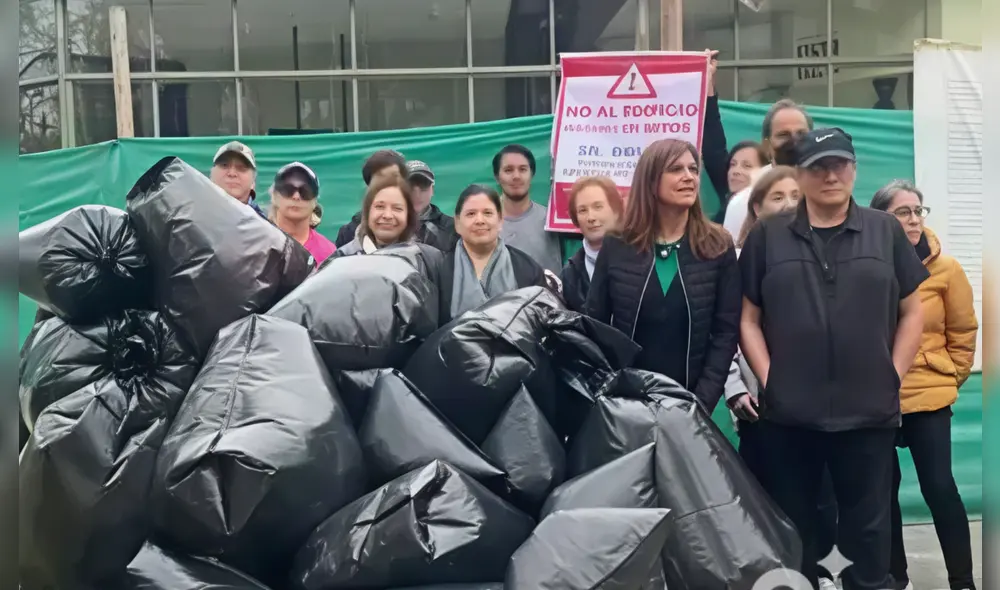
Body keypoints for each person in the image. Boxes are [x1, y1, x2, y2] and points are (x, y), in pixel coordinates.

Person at [739, 127, 928, 590]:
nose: (830, 175)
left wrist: (893, 375)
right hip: (791, 416)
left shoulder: (884, 231)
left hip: (868, 411)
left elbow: (913, 310)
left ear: (855, 170)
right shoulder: (769, 236)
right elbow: (747, 319)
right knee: (795, 529)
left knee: (870, 533)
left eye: (840, 164)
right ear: (799, 174)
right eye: (818, 167)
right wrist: (771, 378)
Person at [870, 180, 979, 590]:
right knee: (882, 495)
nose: (914, 219)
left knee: (940, 488)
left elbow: (964, 331)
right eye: (904, 212)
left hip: (930, 396)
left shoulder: (945, 269)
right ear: (882, 217)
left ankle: (963, 581)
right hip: (878, 396)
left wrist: (949, 376)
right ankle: (897, 579)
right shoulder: (867, 263)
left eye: (918, 210)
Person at [585, 139, 741, 412]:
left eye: (693, 169)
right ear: (651, 179)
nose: (689, 177)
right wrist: (610, 392)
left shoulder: (718, 245)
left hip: (691, 402)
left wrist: (700, 402)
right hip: (625, 404)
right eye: (676, 169)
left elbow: (725, 332)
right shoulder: (617, 244)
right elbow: (595, 326)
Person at [438, 184, 547, 324]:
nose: (480, 220)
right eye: (471, 214)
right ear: (458, 223)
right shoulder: (439, 270)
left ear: (500, 220)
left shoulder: (527, 269)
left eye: (488, 213)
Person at [722, 99, 814, 239]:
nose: (794, 141)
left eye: (802, 134)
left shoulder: (827, 190)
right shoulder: (743, 203)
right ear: (767, 146)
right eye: (783, 135)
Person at [698, 49, 767, 223]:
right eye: (733, 165)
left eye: (747, 166)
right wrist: (707, 81)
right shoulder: (725, 207)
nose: (736, 171)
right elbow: (713, 145)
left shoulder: (775, 219)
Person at [493, 144, 563, 275]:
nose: (516, 176)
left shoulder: (551, 220)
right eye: (508, 170)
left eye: (523, 169)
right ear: (497, 177)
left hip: (548, 294)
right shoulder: (485, 223)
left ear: (532, 174)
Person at [560, 176, 624, 312]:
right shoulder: (570, 274)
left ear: (616, 211)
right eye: (582, 210)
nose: (591, 217)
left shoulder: (642, 258)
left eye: (598, 207)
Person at [334, 149, 408, 247]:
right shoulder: (348, 233)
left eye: (393, 178)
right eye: (380, 179)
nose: (387, 216)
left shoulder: (426, 231)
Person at [331, 176, 420, 257]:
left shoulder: (426, 259)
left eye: (397, 208)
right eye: (379, 207)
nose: (387, 215)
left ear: (409, 215)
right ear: (367, 212)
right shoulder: (342, 258)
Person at [267, 162, 336, 265]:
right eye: (288, 189)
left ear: (315, 201)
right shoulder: (258, 243)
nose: (296, 196)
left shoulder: (327, 252)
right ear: (274, 196)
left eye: (305, 191)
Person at [406, 160, 459, 251]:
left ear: (432, 190)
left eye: (423, 185)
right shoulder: (389, 223)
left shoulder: (453, 228)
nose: (417, 193)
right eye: (410, 186)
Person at [209, 141, 266, 218]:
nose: (232, 173)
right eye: (224, 165)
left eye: (241, 168)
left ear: (253, 181)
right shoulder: (193, 216)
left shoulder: (265, 225)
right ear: (211, 175)